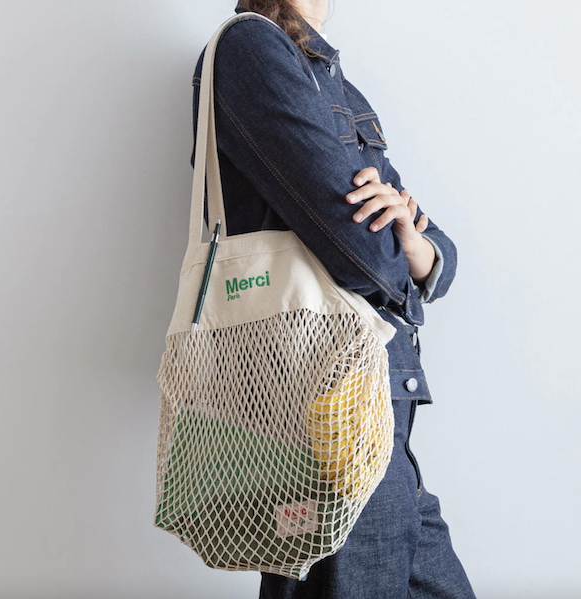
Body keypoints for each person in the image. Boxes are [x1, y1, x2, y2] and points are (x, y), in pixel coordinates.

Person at [190, 1, 477, 597]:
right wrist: (403, 255)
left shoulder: (334, 79)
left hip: (375, 414)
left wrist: (417, 249)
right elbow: (362, 251)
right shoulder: (252, 48)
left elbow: (432, 251)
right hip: (324, 411)